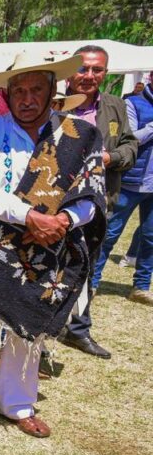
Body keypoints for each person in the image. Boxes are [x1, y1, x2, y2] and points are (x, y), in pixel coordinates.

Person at [0, 52, 105, 438]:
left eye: (36, 89)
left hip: (51, 245)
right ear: (9, 93)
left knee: (29, 329)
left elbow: (91, 193)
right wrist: (30, 217)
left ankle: (19, 404)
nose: (27, 98)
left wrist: (65, 221)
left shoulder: (78, 135)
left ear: (53, 91)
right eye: (18, 90)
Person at [61, 45, 139, 359]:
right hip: (56, 203)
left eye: (97, 70)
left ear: (105, 72)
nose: (90, 76)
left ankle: (78, 330)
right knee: (48, 268)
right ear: (70, 72)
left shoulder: (116, 106)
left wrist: (113, 157)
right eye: (83, 69)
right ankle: (40, 334)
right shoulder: (54, 105)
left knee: (88, 267)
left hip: (99, 203)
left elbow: (130, 144)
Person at [90, 70, 153, 306]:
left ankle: (141, 286)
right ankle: (92, 282)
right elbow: (130, 138)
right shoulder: (132, 103)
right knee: (109, 235)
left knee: (150, 238)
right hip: (130, 182)